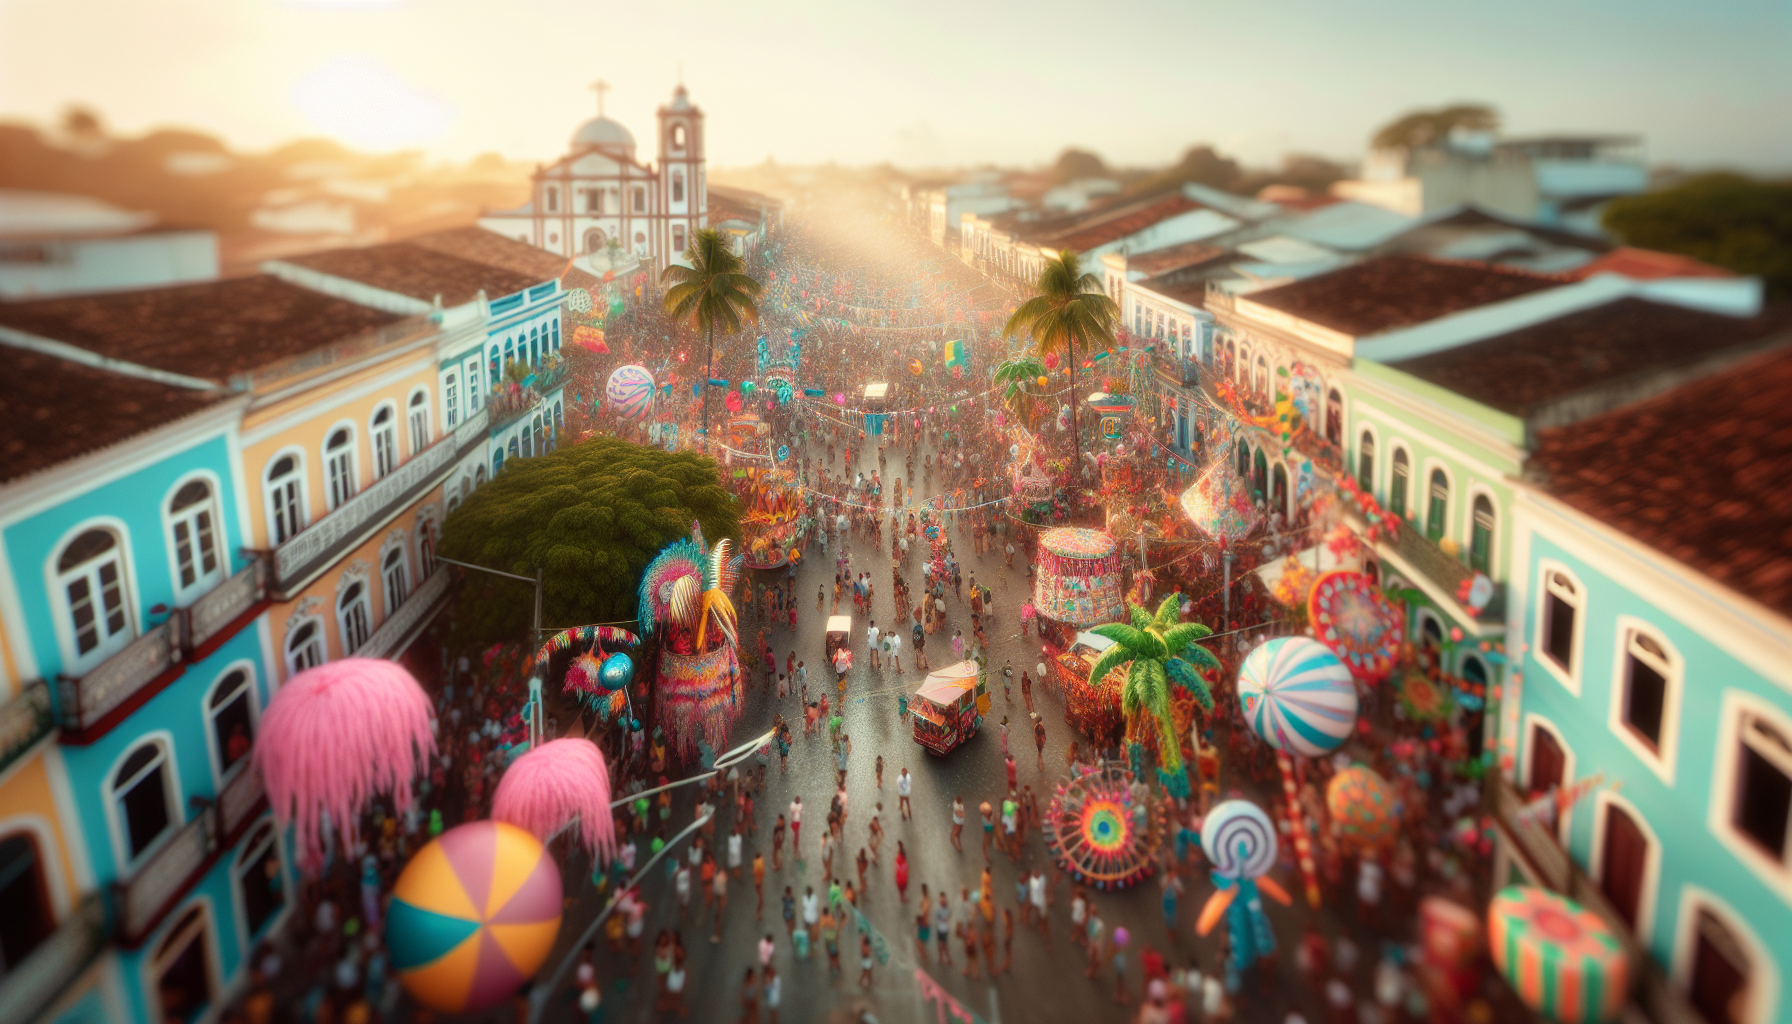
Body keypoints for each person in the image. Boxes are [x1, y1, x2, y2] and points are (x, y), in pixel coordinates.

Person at [753, 852, 767, 919]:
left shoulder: (757, 863)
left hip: (758, 883)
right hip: (758, 883)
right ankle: (758, 913)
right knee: (761, 900)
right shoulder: (759, 865)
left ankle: (759, 913)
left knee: (761, 900)